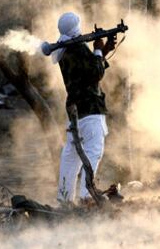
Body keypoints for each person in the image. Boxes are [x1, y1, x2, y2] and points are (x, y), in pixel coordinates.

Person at [43, 12, 115, 203]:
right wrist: (98, 50)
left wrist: (103, 51)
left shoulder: (65, 50)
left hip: (76, 112)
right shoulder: (78, 48)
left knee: (71, 156)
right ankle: (86, 198)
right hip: (91, 110)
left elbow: (85, 74)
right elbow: (95, 73)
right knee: (93, 152)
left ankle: (64, 200)